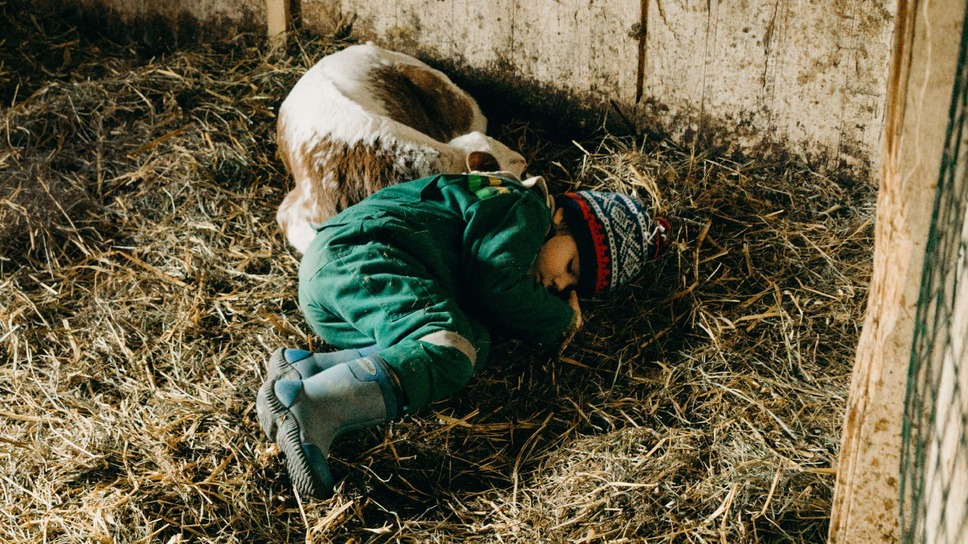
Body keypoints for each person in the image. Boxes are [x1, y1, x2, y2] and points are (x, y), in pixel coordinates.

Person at [256, 152, 673, 498]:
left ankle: (306, 370)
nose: (562, 284)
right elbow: (496, 283)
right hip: (362, 258)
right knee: (448, 348)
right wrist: (560, 321)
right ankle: (315, 406)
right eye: (571, 266)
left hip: (344, 288)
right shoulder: (525, 209)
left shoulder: (506, 210)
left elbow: (487, 292)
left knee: (474, 340)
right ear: (561, 217)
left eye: (573, 286)